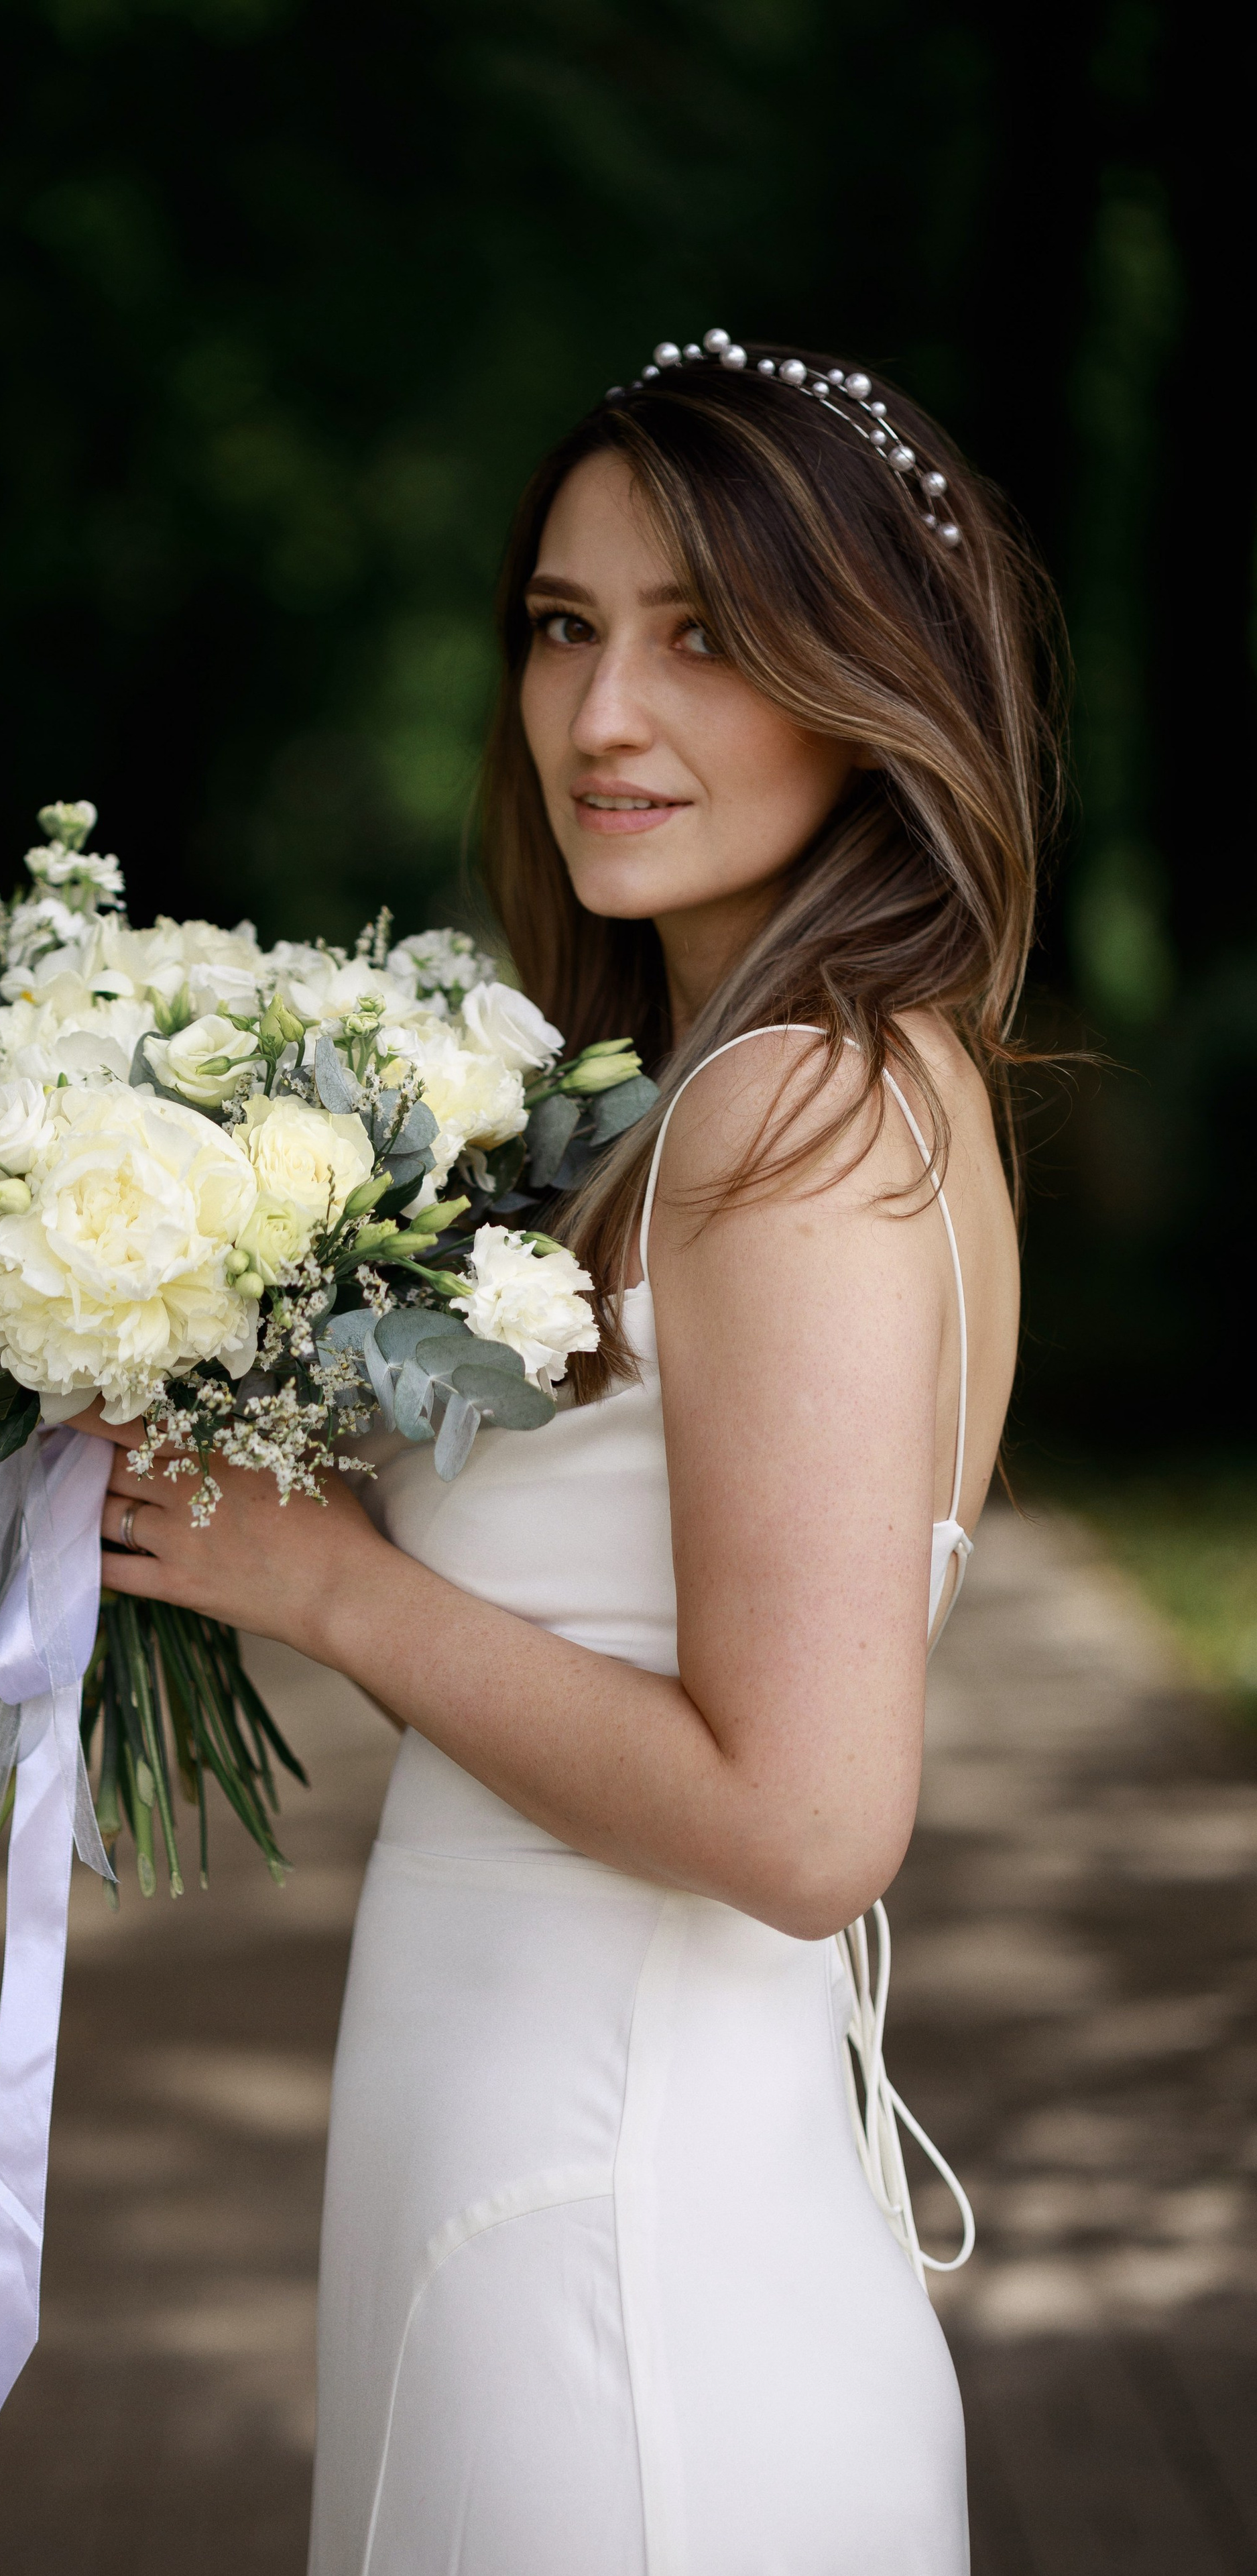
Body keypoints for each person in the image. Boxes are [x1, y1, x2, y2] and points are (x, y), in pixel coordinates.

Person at [86, 334, 1053, 2574]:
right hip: (550, 2171)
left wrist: (326, 1579)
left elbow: (809, 1820)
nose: (603, 716)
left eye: (706, 637)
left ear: (867, 675)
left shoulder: (794, 1111)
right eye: (565, 626)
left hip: (622, 2249)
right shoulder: (772, 1081)